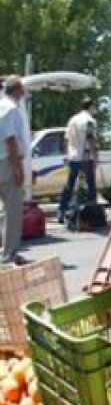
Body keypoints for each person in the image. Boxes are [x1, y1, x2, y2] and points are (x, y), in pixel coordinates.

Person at [0, 76, 31, 265]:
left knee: (5, 211)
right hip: (7, 163)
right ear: (18, 89)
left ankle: (6, 251)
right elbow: (11, 140)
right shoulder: (11, 109)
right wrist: (18, 169)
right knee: (13, 211)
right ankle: (9, 255)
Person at [58, 96, 99, 223]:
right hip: (85, 156)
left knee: (69, 184)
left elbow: (67, 139)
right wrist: (96, 157)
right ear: (91, 107)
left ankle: (62, 210)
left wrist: (67, 154)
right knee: (90, 184)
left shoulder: (72, 120)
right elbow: (91, 139)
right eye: (94, 107)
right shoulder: (89, 121)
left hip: (73, 155)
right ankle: (91, 211)